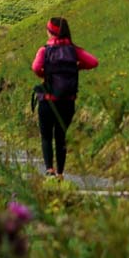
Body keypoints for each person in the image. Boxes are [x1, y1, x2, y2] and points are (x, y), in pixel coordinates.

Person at [30, 17, 98, 179]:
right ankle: (61, 173)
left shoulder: (44, 50)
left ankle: (49, 170)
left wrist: (45, 74)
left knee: (46, 136)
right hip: (67, 102)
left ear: (50, 32)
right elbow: (94, 62)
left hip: (48, 101)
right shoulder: (74, 51)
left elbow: (35, 68)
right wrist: (75, 68)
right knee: (61, 137)